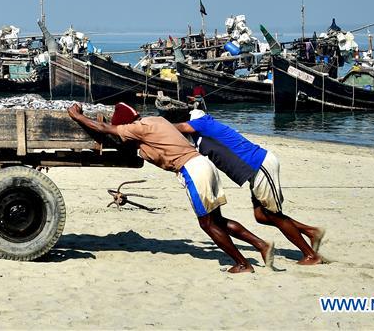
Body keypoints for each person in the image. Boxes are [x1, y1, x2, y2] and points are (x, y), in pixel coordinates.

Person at [68, 102, 273, 274]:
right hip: (204, 164)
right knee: (217, 220)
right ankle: (261, 245)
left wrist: (77, 116)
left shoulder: (136, 128)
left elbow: (104, 129)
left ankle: (242, 263)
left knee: (207, 224)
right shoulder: (158, 121)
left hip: (192, 171)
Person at [164, 105, 324, 265]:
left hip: (260, 165)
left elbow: (183, 127)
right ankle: (311, 232)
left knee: (274, 215)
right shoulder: (198, 131)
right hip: (255, 170)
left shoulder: (201, 121)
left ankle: (311, 255)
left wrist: (161, 125)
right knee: (261, 216)